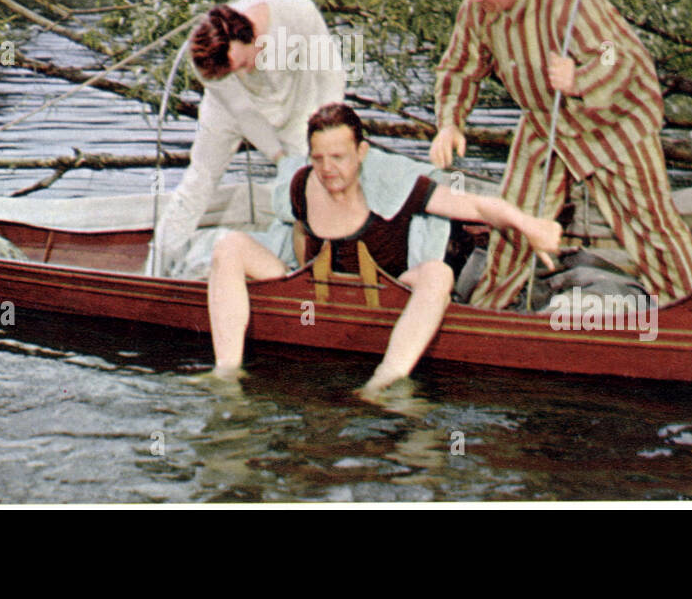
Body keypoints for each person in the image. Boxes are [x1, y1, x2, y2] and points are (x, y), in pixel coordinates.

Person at [428, 0, 692, 310]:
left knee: (647, 225)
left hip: (612, 120)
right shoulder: (478, 7)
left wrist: (581, 79)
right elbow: (458, 66)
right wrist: (450, 122)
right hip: (546, 121)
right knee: (515, 220)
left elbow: (621, 57)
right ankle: (491, 308)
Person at [207, 103, 562, 394]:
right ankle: (227, 371)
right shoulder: (302, 183)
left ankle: (386, 379)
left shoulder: (397, 184)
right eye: (318, 159)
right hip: (320, 282)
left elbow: (477, 207)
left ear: (361, 152)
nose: (328, 169)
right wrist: (303, 279)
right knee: (228, 247)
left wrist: (529, 225)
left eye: (338, 157)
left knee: (438, 274)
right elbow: (300, 228)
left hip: (390, 285)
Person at [154, 0, 345, 274]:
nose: (243, 73)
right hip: (229, 110)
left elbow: (331, 75)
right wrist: (278, 156)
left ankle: (318, 266)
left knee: (314, 180)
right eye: (234, 70)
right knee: (200, 179)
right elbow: (243, 112)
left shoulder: (294, 11)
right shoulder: (209, 61)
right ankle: (159, 264)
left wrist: (327, 134)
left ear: (249, 33)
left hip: (295, 105)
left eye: (243, 63)